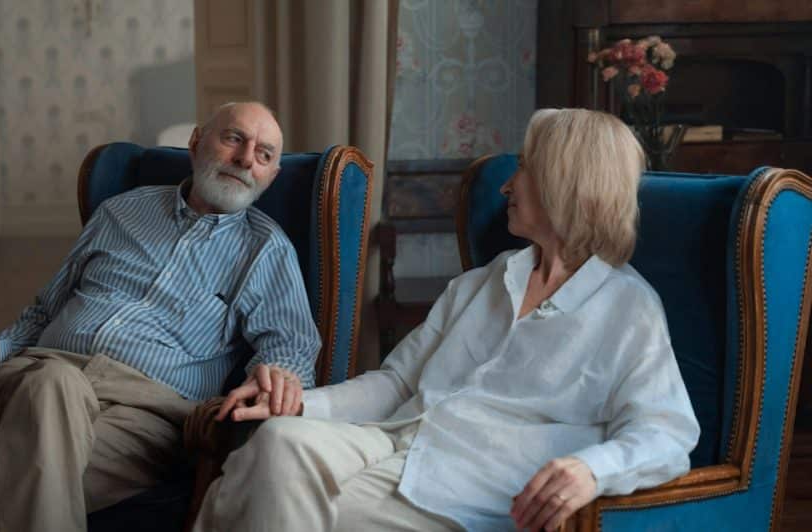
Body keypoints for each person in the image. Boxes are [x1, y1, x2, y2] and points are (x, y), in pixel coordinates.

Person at [196, 108, 701, 532]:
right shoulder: (484, 282)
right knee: (278, 439)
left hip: (471, 485)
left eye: (523, 167)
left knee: (250, 492)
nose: (506, 185)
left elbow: (667, 433)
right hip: (393, 439)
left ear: (564, 182)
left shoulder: (627, 307)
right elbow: (396, 383)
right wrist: (296, 401)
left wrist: (592, 470)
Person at [0, 102, 320, 532]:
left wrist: (279, 378)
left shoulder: (265, 249)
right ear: (195, 141)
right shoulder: (122, 210)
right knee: (52, 385)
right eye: (233, 139)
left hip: (146, 420)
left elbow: (291, 344)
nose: (246, 159)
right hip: (41, 370)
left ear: (271, 176)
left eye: (264, 154)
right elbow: (48, 307)